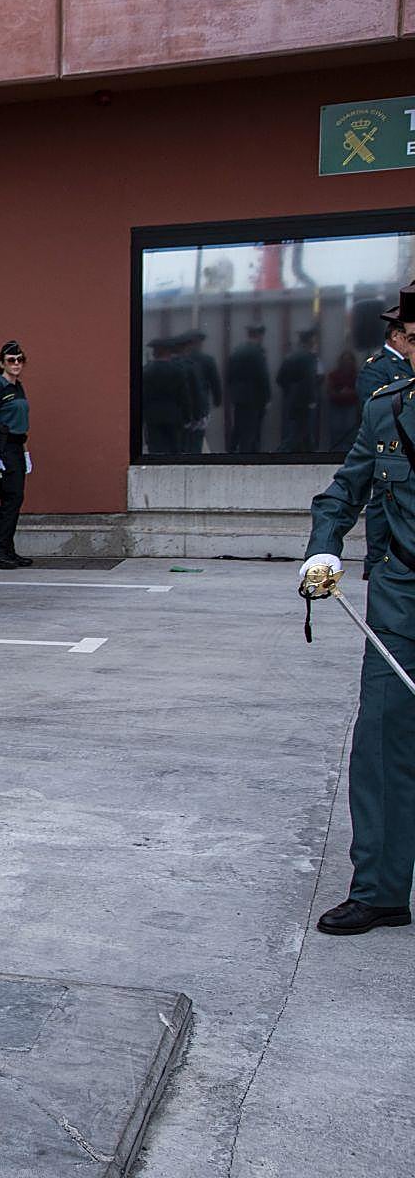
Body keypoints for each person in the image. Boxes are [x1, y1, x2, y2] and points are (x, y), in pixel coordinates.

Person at [299, 348, 415, 936]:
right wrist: (325, 546)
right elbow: (344, 491)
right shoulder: (387, 411)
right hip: (402, 602)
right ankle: (382, 890)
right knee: (384, 747)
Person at [357, 285, 415, 580]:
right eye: (411, 339)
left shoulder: (403, 364)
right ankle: (377, 560)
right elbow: (377, 407)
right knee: (382, 502)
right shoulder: (377, 368)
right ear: (398, 337)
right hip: (389, 447)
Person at [0, 341, 33, 568]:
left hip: (16, 445)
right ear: (1, 363)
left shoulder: (17, 386)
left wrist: (25, 452)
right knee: (10, 499)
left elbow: (21, 423)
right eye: (11, 360)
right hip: (3, 446)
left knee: (15, 499)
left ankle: (7, 548)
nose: (16, 364)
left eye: (19, 360)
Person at [141, 335, 191, 455]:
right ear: (168, 352)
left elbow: (143, 396)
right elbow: (184, 396)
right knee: (174, 450)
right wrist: (187, 417)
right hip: (174, 415)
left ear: (154, 352)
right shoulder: (178, 370)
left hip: (152, 416)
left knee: (155, 450)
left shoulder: (146, 371)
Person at [225, 322, 271, 453]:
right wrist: (267, 397)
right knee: (251, 432)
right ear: (259, 335)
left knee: (238, 428)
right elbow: (263, 376)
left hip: (239, 398)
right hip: (254, 398)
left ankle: (230, 454)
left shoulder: (237, 351)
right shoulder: (258, 352)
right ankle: (247, 458)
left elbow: (229, 376)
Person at [276, 327, 323, 452]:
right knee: (299, 433)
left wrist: (289, 391)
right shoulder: (310, 357)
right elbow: (310, 381)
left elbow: (280, 378)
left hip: (292, 399)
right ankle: (281, 453)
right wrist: (312, 399)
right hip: (305, 400)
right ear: (310, 341)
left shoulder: (290, 356)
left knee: (299, 431)